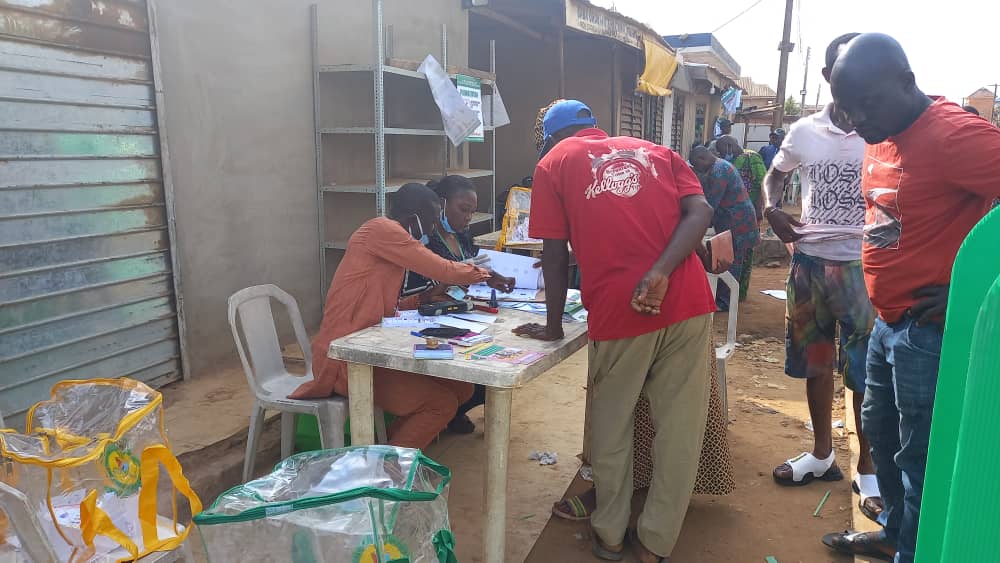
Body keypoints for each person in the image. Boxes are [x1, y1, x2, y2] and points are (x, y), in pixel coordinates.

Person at [822, 33, 1000, 563]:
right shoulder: (882, 128)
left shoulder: (954, 135)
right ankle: (896, 535)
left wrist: (973, 288)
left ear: (906, 82)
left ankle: (915, 553)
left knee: (921, 456)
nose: (856, 120)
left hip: (929, 333)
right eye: (846, 108)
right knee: (882, 435)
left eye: (866, 104)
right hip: (887, 323)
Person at [515, 99, 716, 563]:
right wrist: (661, 270)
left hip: (621, 312)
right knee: (679, 432)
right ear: (594, 127)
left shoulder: (553, 164)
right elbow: (700, 212)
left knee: (612, 427)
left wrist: (552, 324)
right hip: (688, 303)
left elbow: (554, 253)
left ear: (552, 137)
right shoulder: (659, 152)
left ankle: (609, 535)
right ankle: (656, 544)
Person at [289, 183, 514, 450]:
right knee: (440, 404)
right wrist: (485, 275)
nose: (431, 230)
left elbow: (384, 308)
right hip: (344, 357)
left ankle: (389, 449)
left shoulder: (388, 244)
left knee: (462, 388)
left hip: (368, 347)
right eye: (431, 222)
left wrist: (422, 300)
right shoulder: (381, 230)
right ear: (413, 217)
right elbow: (442, 269)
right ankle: (387, 468)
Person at [763, 32, 882, 524]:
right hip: (810, 264)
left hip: (863, 267)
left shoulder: (884, 129)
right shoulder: (804, 131)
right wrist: (771, 207)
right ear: (830, 76)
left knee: (866, 372)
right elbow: (776, 172)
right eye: (848, 70)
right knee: (816, 362)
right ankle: (821, 454)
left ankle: (869, 469)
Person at [400, 175, 487, 434]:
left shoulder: (461, 236)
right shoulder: (424, 240)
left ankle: (451, 412)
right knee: (471, 375)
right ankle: (444, 413)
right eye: (463, 210)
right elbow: (421, 290)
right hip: (425, 318)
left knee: (485, 367)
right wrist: (455, 280)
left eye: (472, 212)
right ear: (441, 205)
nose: (468, 218)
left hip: (456, 311)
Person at [689, 145, 760, 310]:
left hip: (737, 222)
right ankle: (731, 297)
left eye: (697, 166)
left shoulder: (718, 171)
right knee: (731, 258)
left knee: (730, 260)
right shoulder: (721, 165)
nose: (698, 170)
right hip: (734, 219)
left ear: (702, 159)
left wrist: (693, 227)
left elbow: (710, 204)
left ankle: (725, 302)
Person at [716, 135, 766, 302]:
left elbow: (763, 183)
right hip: (733, 215)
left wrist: (759, 208)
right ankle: (734, 293)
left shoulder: (752, 157)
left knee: (744, 253)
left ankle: (739, 293)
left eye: (722, 150)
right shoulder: (731, 161)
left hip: (748, 212)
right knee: (738, 254)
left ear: (730, 145)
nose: (722, 154)